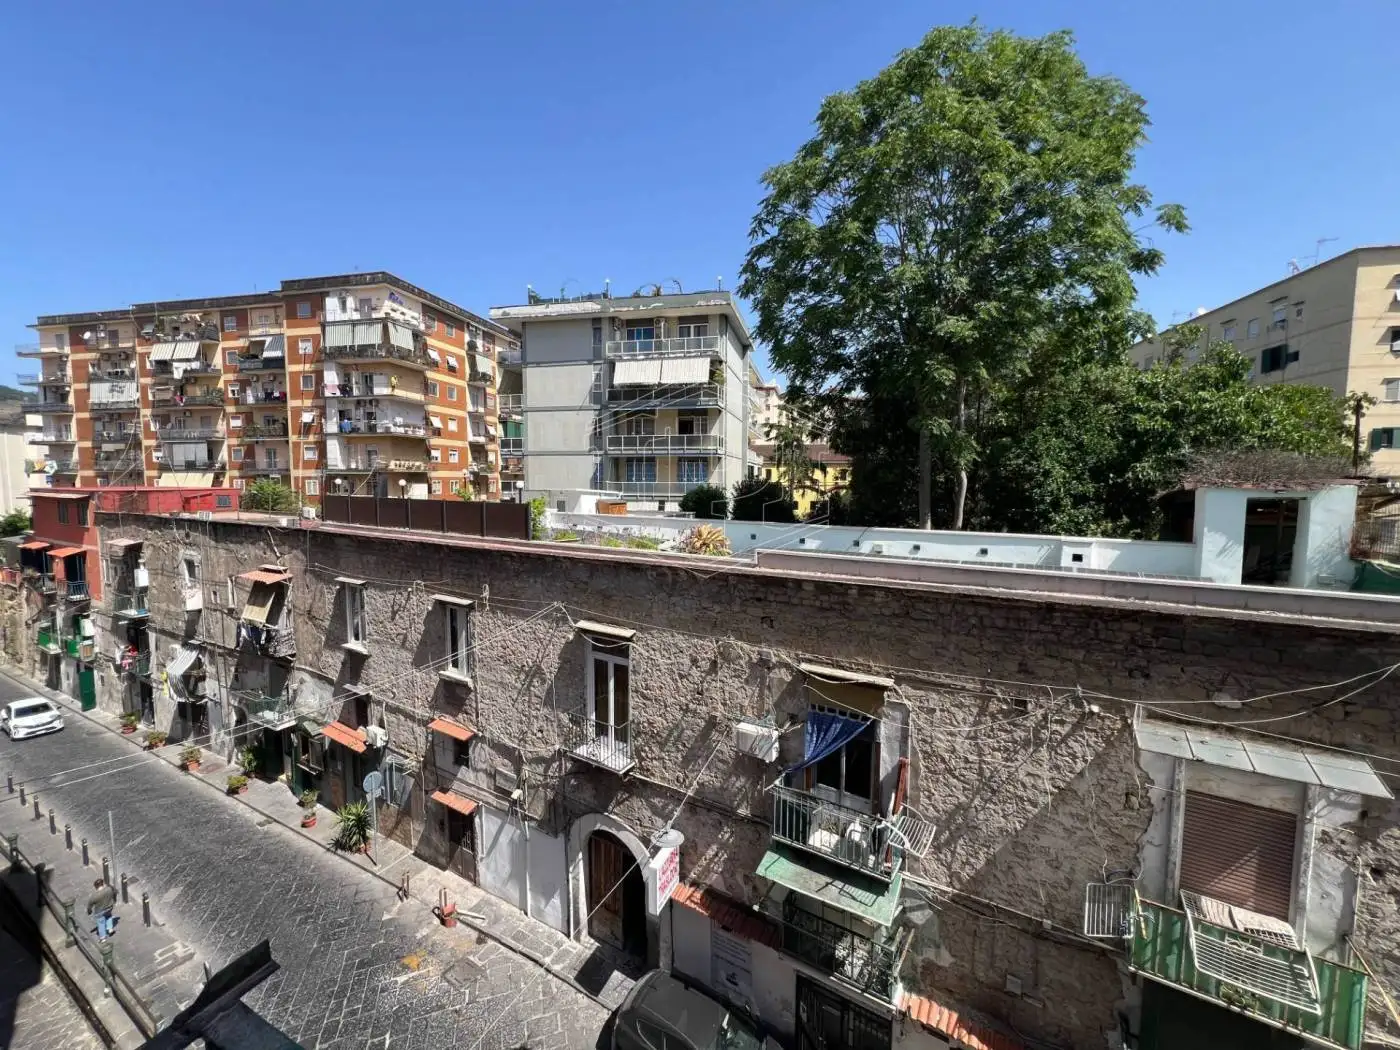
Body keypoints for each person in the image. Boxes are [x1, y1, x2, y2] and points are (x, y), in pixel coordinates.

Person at [87, 877, 117, 941]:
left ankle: (103, 938)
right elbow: (115, 892)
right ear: (102, 884)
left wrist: (89, 911)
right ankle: (110, 929)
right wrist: (114, 900)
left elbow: (89, 905)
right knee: (109, 917)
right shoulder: (109, 889)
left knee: (101, 924)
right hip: (109, 907)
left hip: (100, 912)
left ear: (95, 887)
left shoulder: (94, 896)